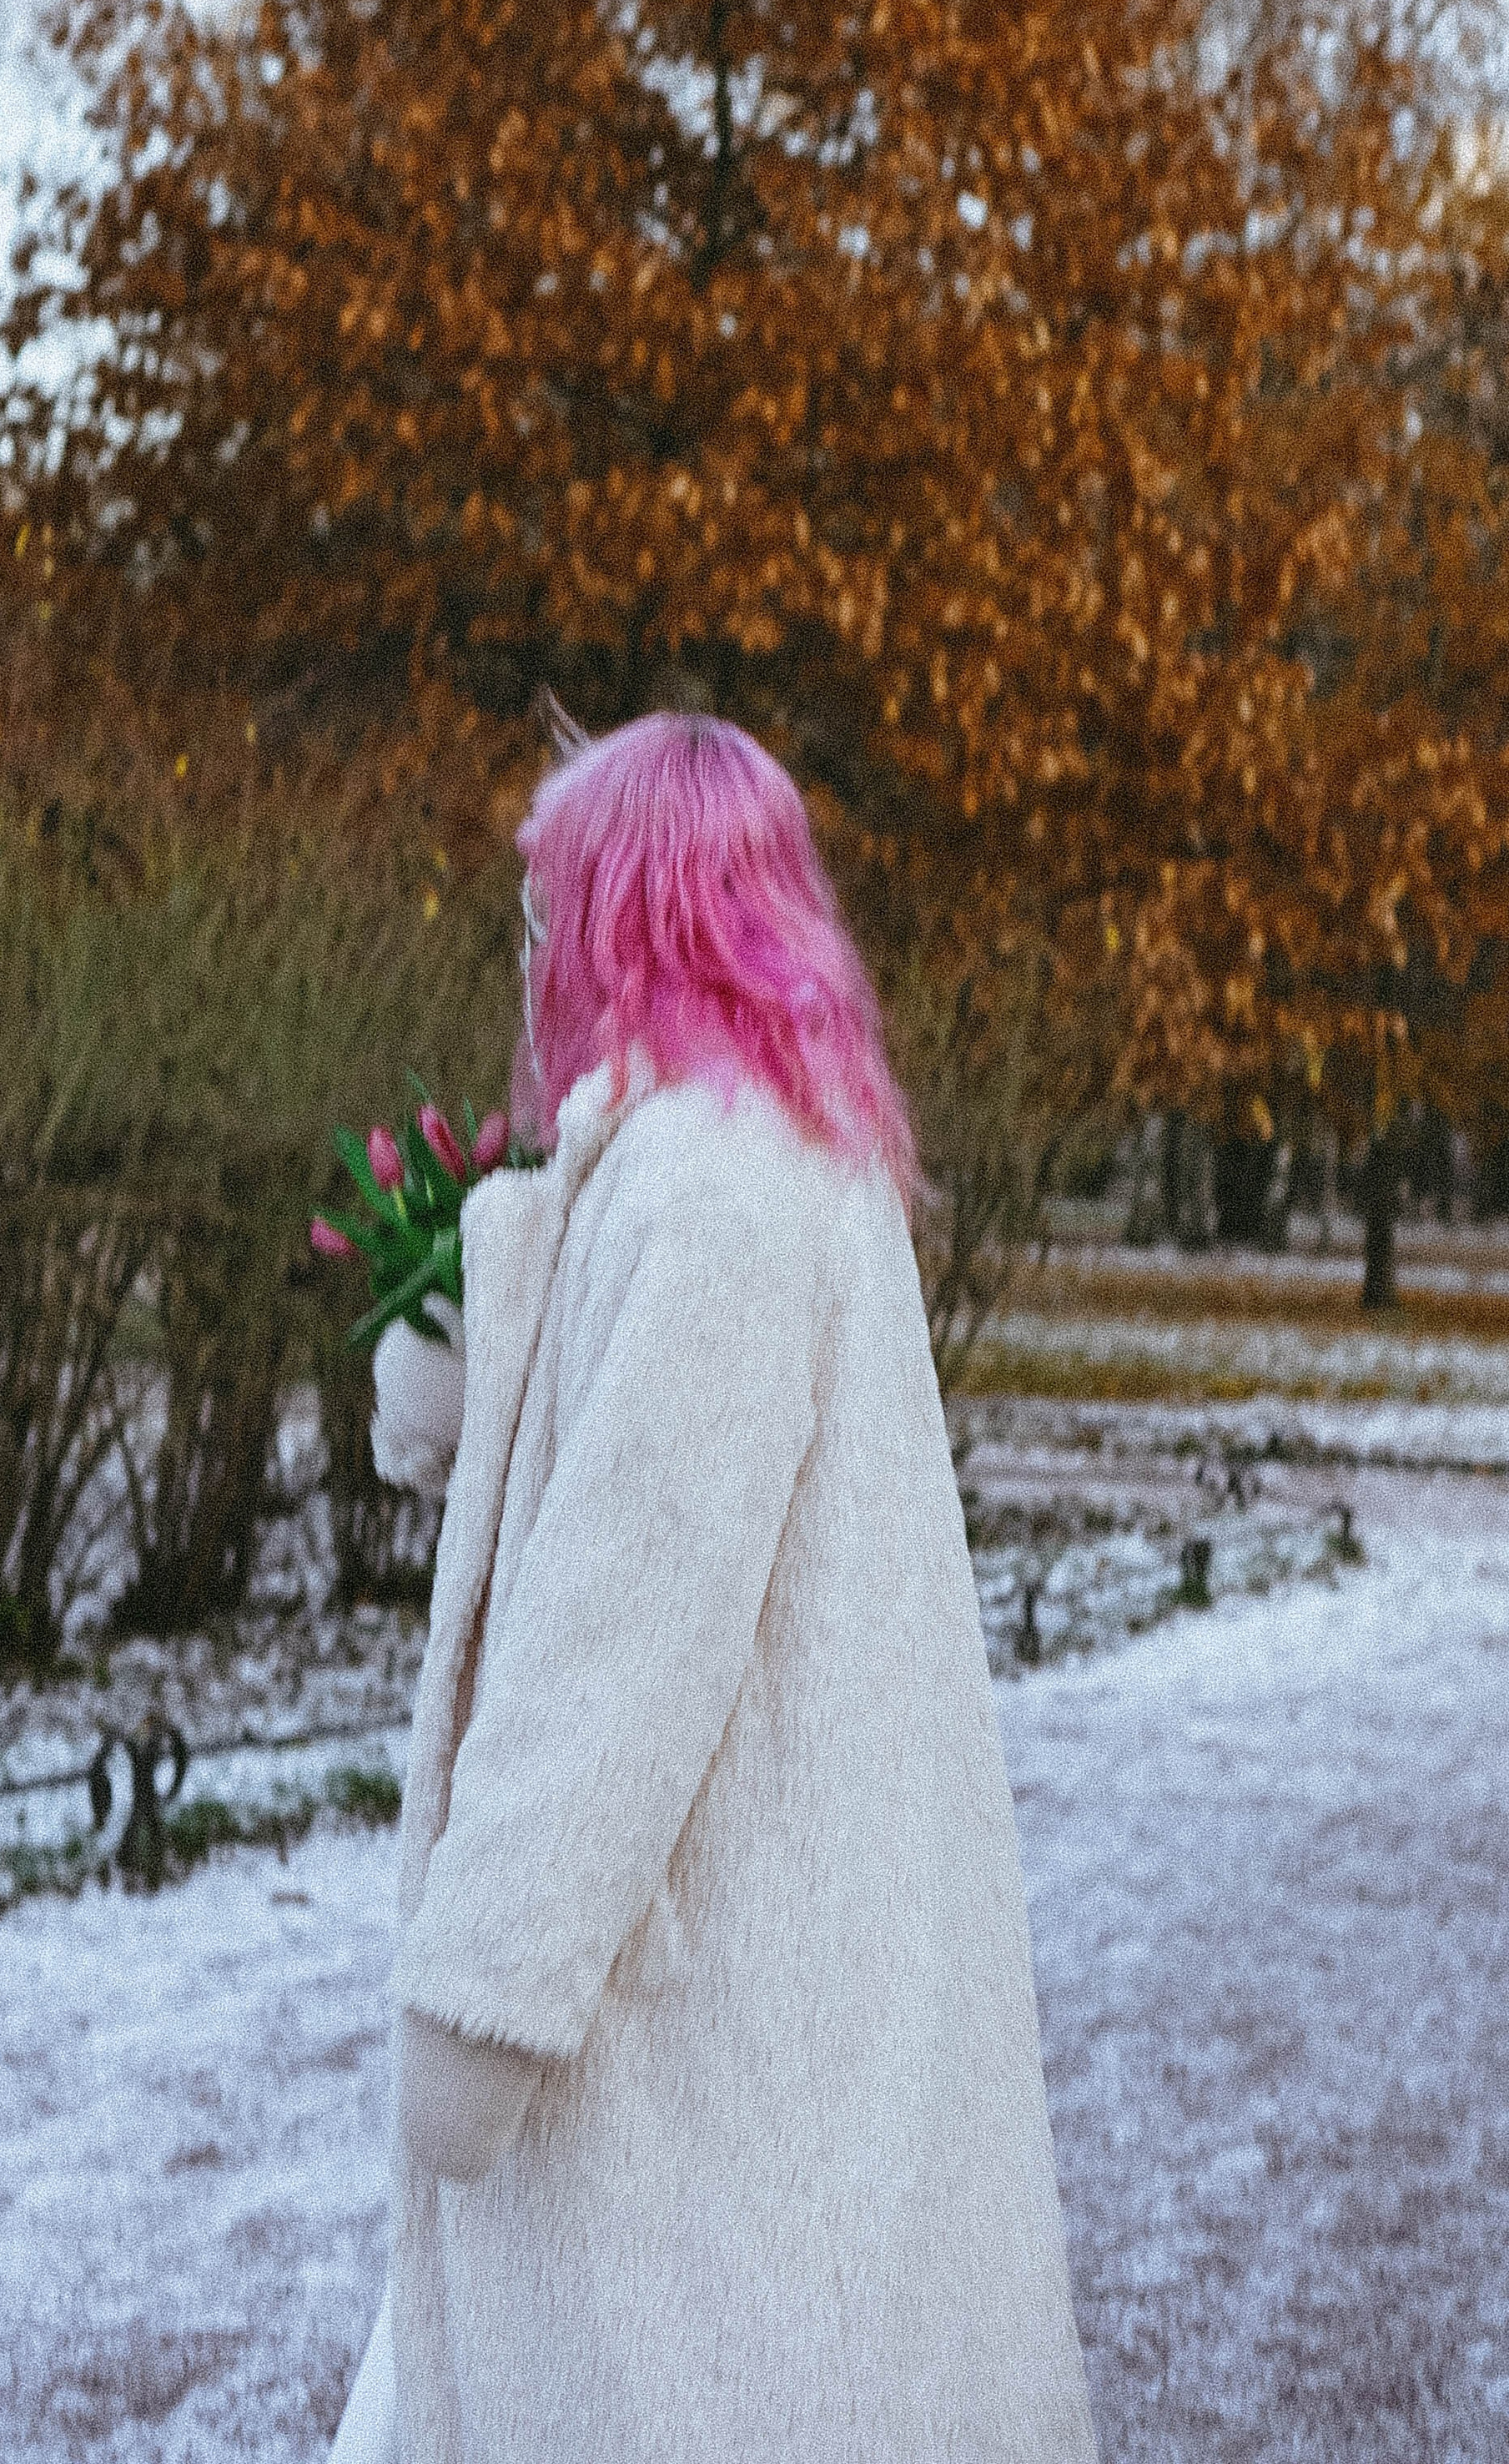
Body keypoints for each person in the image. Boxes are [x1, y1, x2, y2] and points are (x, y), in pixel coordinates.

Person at [331, 710, 1098, 2463]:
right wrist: (478, 1323)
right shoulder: (757, 1155)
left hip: (694, 2049)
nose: (528, 955)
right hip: (750, 1998)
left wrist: (480, 1994)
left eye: (552, 910)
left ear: (630, 914)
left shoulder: (714, 1197)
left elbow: (624, 1638)